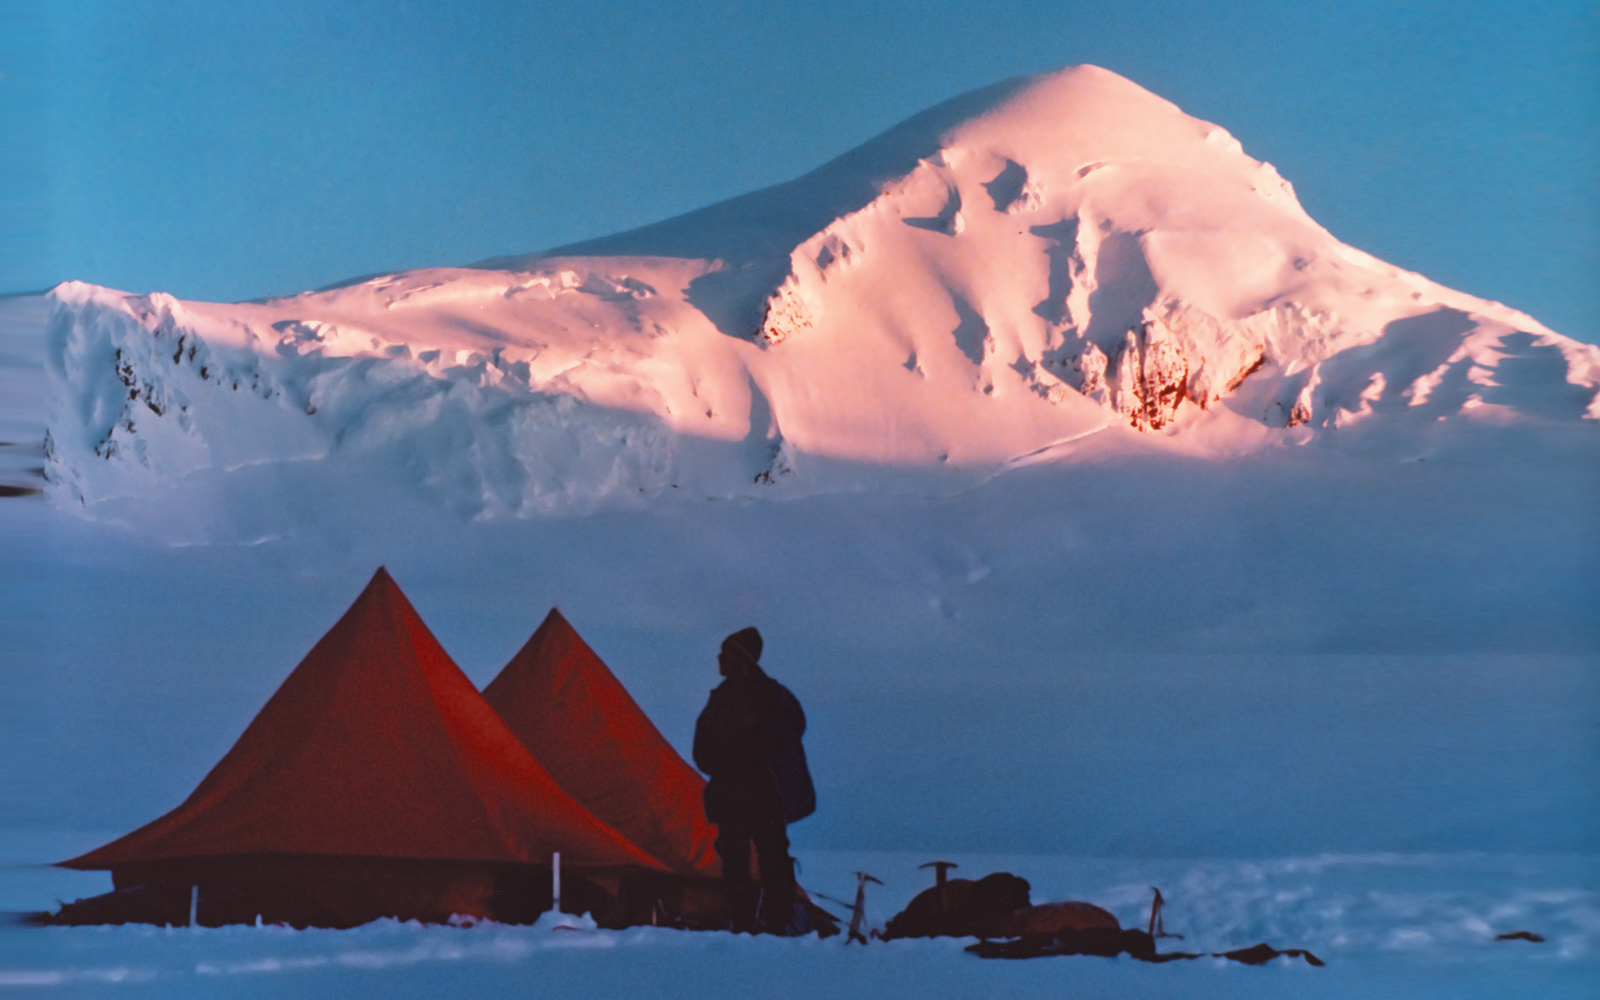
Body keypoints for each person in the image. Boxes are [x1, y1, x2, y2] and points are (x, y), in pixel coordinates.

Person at [692, 627, 814, 932]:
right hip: (732, 794)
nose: (719, 659)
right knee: (735, 860)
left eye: (725, 653)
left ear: (741, 658)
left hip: (765, 794)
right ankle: (741, 920)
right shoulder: (720, 700)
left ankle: (779, 920)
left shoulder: (773, 697)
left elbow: (792, 730)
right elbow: (703, 748)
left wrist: (758, 728)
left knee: (772, 856)